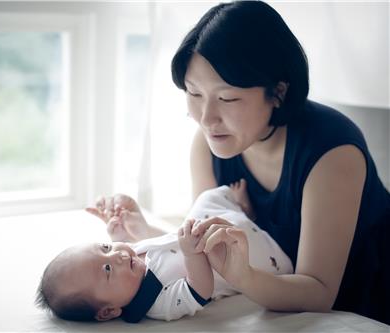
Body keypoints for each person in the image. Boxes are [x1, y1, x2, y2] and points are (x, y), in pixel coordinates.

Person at [89, 1, 390, 324]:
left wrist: (243, 276)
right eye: (194, 93)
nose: (206, 118)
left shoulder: (331, 150)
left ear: (278, 92)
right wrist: (144, 232)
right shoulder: (207, 144)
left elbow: (319, 292)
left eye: (227, 98)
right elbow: (207, 243)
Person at [36, 183, 293, 322]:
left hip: (202, 230)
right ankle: (244, 216)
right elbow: (199, 290)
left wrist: (122, 234)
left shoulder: (130, 261)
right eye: (107, 269)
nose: (116, 255)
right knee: (238, 236)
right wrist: (192, 256)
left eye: (105, 248)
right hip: (231, 258)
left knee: (206, 200)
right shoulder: (155, 303)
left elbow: (162, 243)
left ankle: (240, 209)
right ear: (109, 311)